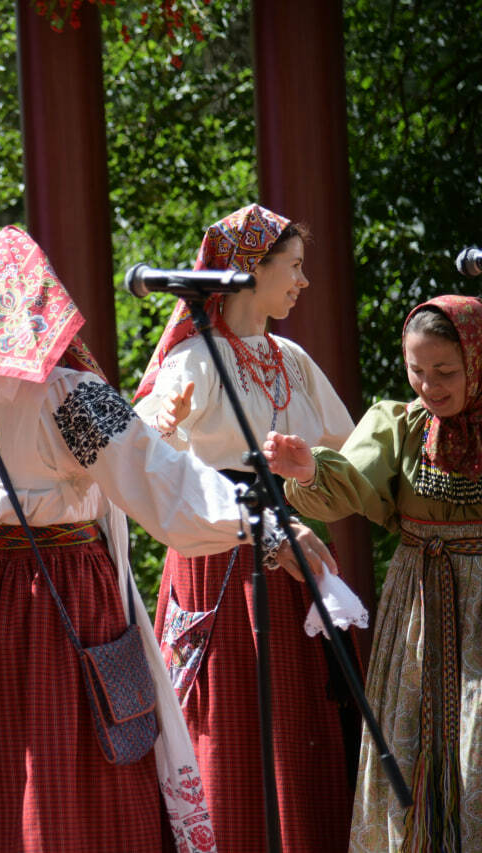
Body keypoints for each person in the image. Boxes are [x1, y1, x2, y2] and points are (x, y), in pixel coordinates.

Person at [0, 225, 340, 852]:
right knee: (69, 758)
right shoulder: (74, 395)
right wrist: (260, 519)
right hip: (63, 591)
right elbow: (160, 483)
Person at [132, 203, 360, 851]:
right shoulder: (195, 359)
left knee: (300, 714)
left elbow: (353, 449)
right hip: (219, 555)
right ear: (247, 272)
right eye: (292, 267)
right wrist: (167, 423)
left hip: (294, 555)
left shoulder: (291, 356)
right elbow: (140, 442)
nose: (303, 281)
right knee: (229, 717)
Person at [265, 294, 482, 852]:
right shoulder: (400, 425)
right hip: (418, 608)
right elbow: (352, 482)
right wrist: (311, 466)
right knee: (410, 745)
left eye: (445, 372)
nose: (429, 386)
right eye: (417, 370)